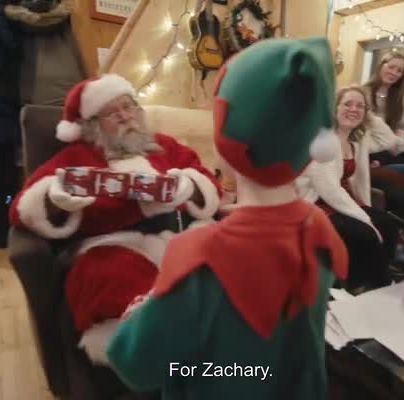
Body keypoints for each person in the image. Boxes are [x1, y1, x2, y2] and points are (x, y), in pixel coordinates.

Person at [105, 37, 349, 400]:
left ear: (227, 137)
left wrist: (141, 311)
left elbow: (135, 364)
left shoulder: (200, 256)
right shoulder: (321, 228)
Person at [8, 74, 221, 368]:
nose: (125, 116)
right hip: (114, 244)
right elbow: (21, 208)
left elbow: (209, 183)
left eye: (128, 106)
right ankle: (146, 351)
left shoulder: (164, 145)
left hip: (179, 233)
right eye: (111, 112)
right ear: (92, 125)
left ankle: (224, 336)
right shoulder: (75, 156)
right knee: (105, 278)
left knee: (224, 254)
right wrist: (51, 198)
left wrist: (190, 185)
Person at [296, 85, 404, 290]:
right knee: (363, 232)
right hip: (316, 203)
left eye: (359, 106)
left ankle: (384, 270)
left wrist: (366, 112)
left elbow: (387, 139)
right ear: (334, 108)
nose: (353, 109)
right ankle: (365, 285)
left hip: (343, 200)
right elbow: (330, 190)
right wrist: (365, 219)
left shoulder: (357, 141)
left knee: (388, 223)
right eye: (347, 104)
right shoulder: (324, 141)